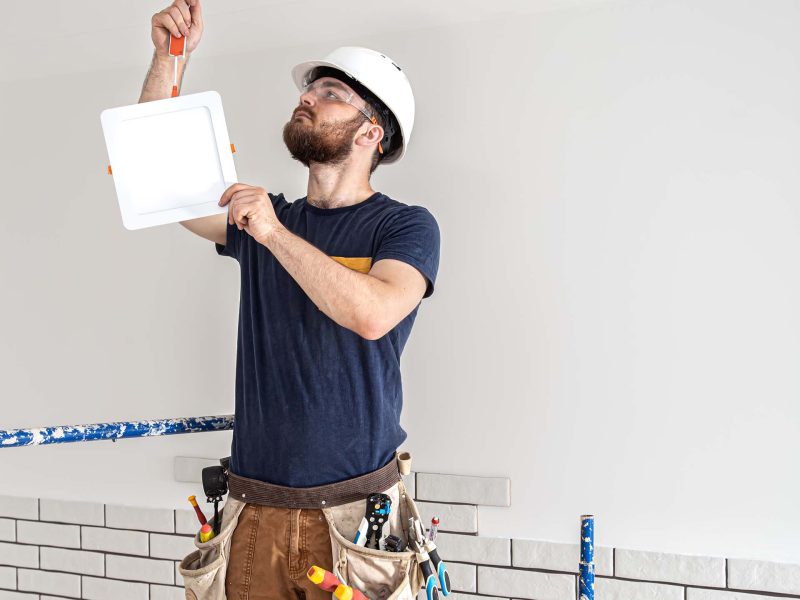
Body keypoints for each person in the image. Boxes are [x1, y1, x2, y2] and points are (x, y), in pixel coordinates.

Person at [141, 1, 441, 597]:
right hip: (257, 512)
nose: (308, 97)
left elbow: (374, 313)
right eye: (310, 88)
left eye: (330, 92)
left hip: (358, 521)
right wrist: (167, 58)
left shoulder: (405, 228)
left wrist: (274, 232)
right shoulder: (258, 219)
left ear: (370, 132)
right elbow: (159, 179)